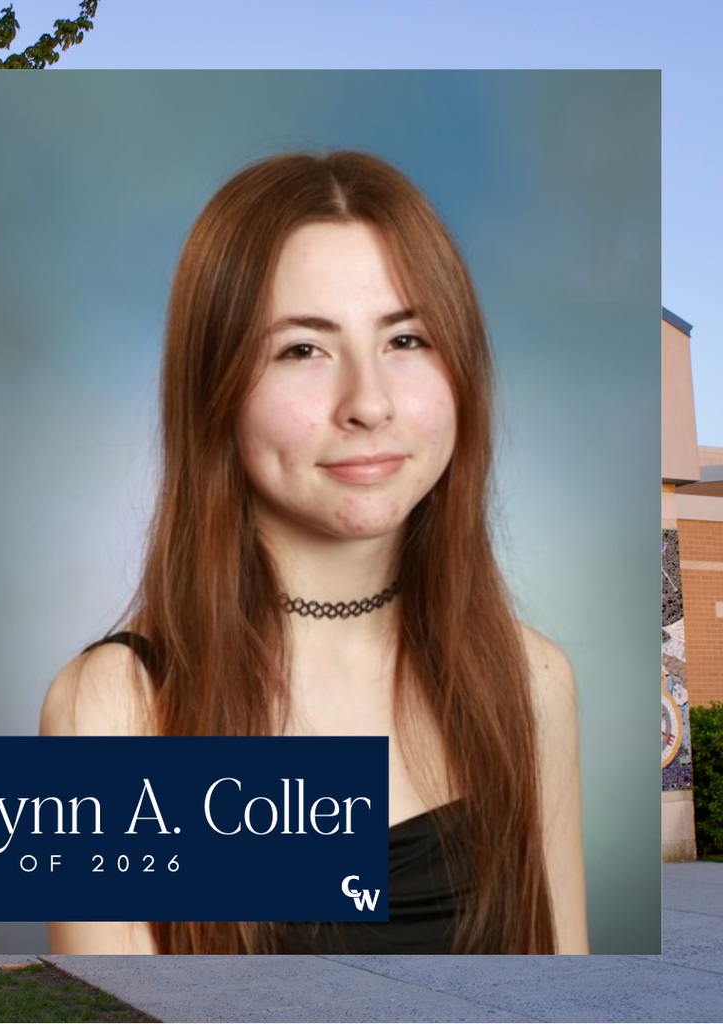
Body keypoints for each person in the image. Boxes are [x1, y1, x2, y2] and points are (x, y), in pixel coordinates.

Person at [41, 151, 588, 955]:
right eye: (303, 349)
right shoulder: (116, 713)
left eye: (407, 338)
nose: (369, 403)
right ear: (214, 389)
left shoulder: (533, 683)